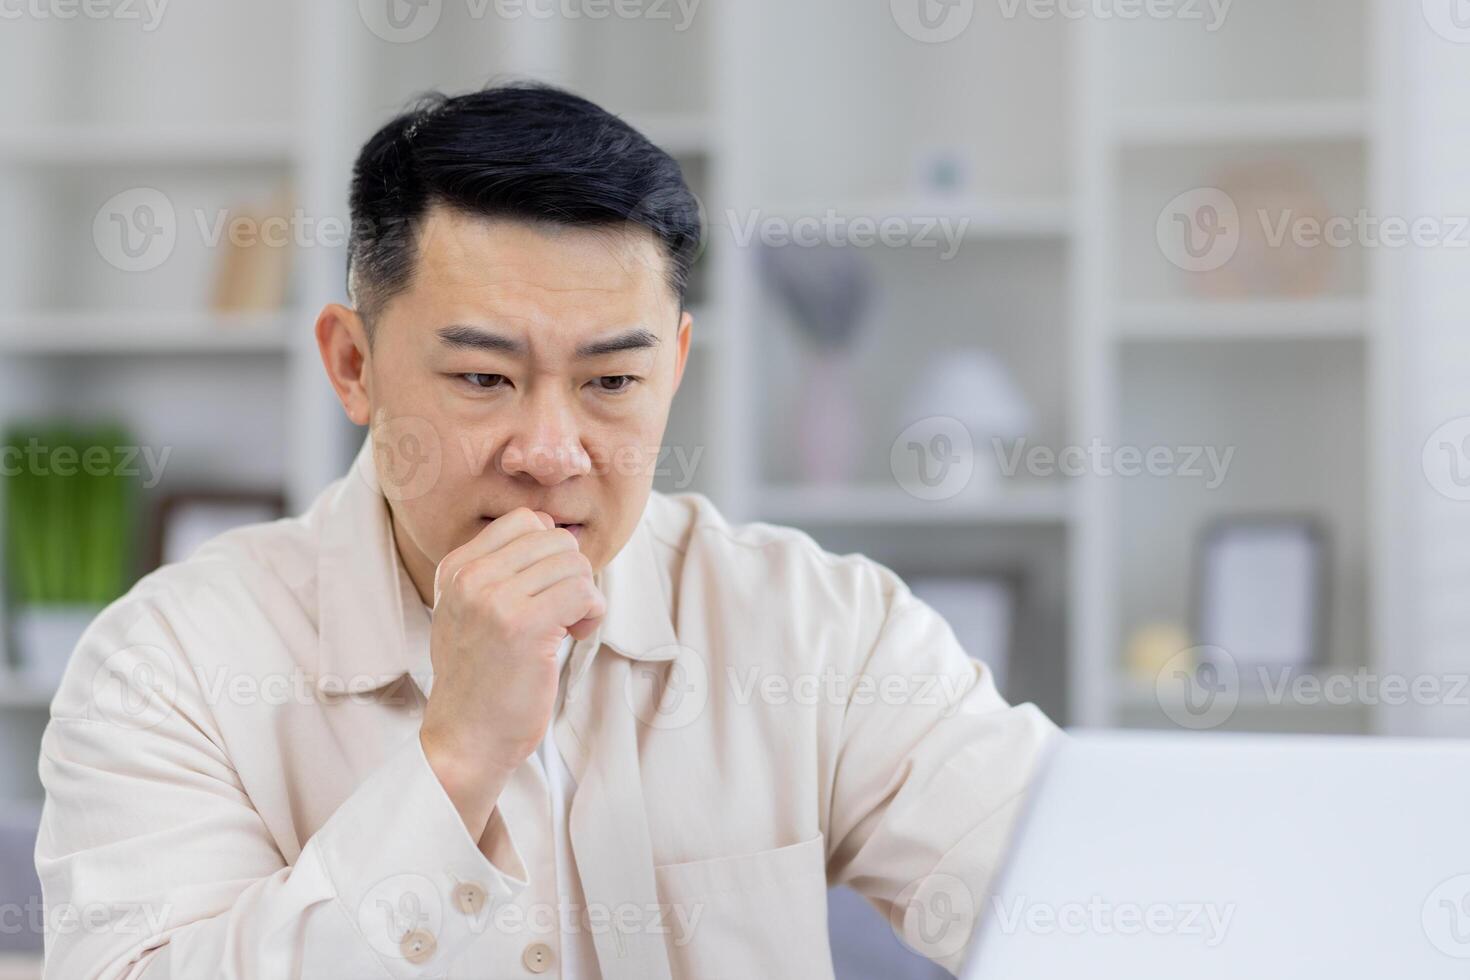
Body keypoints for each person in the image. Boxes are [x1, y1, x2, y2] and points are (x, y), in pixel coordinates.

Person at [35, 82, 1061, 979]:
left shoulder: (820, 627)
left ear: (677, 365)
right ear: (353, 365)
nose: (552, 449)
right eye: (484, 377)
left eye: (613, 380)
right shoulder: (167, 664)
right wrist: (456, 757)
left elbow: (1087, 897)